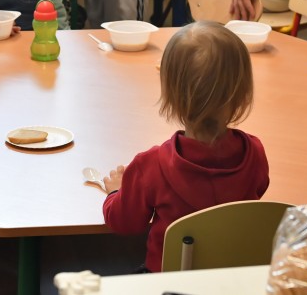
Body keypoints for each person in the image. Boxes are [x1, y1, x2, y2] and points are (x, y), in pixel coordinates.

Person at [101, 21, 269, 272]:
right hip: (233, 281)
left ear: (170, 94)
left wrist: (115, 193)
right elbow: (256, 193)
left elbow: (124, 222)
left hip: (169, 283)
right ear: (242, 92)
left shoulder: (151, 166)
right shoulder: (254, 153)